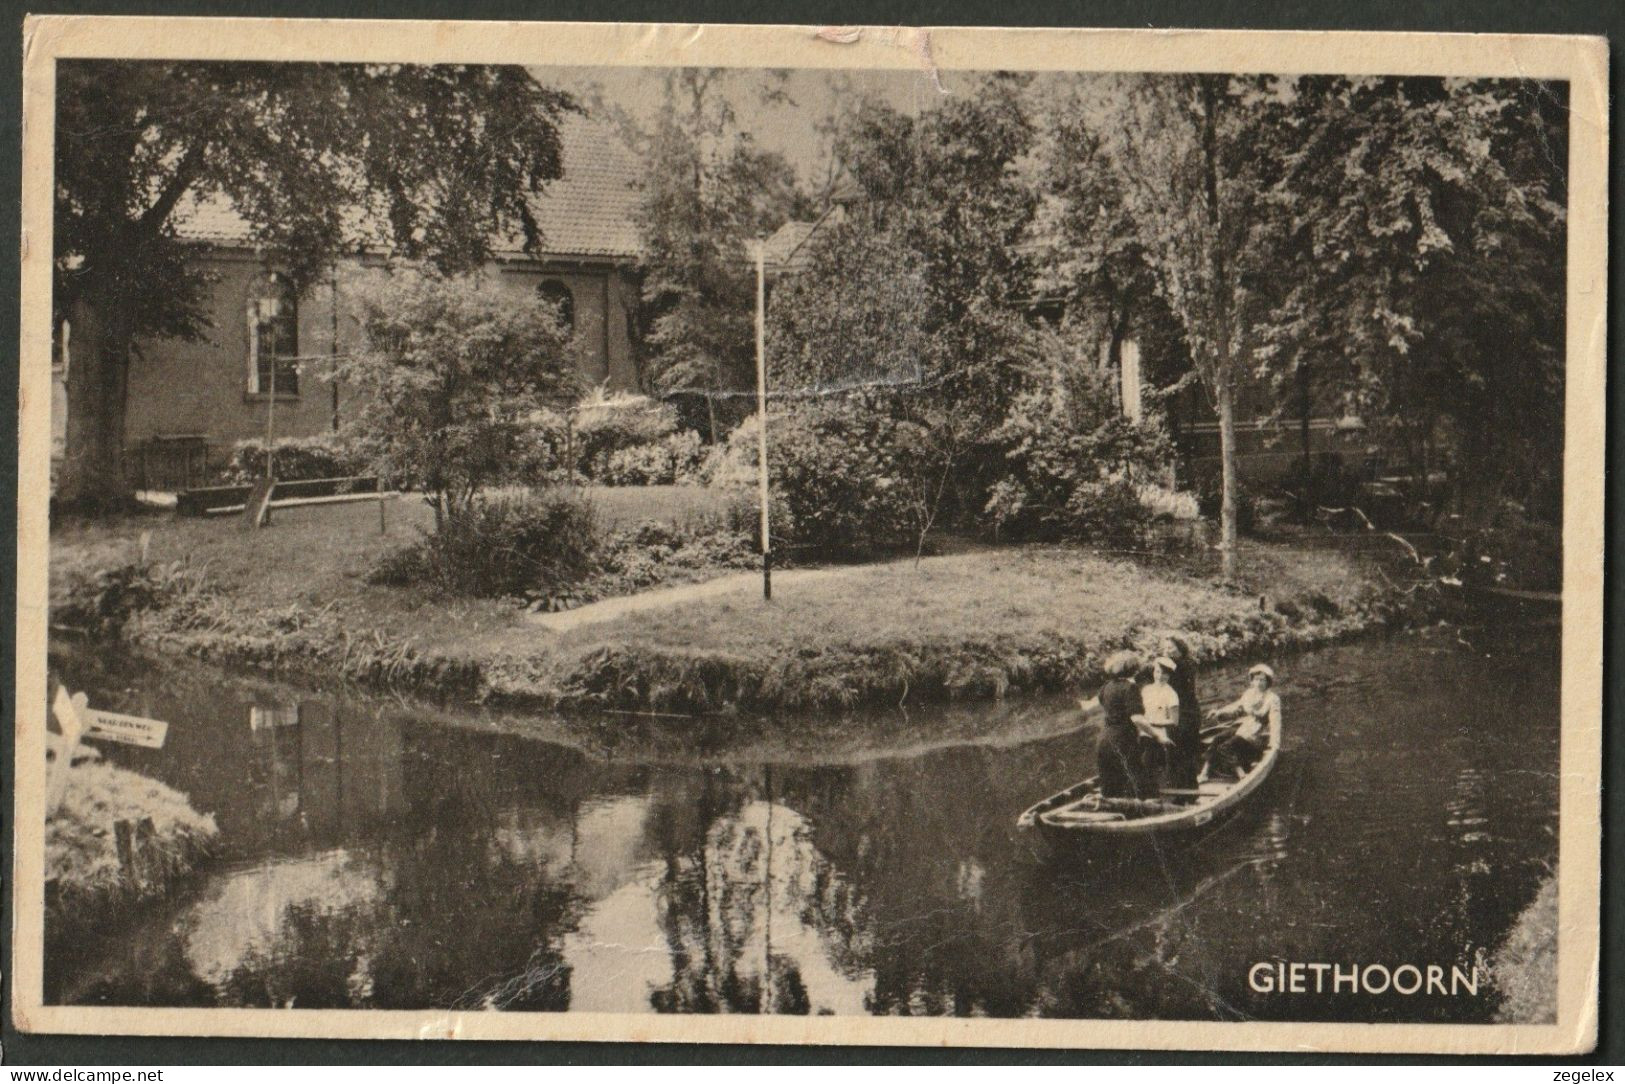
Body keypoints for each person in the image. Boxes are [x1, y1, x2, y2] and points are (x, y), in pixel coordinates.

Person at [1205, 663, 1282, 780]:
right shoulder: (1249, 694)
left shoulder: (1273, 699)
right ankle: (1205, 772)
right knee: (1217, 739)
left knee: (1226, 747)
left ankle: (1241, 774)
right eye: (1256, 680)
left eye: (1262, 680)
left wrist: (1274, 744)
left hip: (1257, 735)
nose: (1259, 683)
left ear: (1268, 682)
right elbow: (1236, 707)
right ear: (1252, 681)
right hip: (1245, 729)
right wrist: (1218, 712)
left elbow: (1275, 722)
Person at [1094, 650, 1147, 799]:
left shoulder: (1106, 686)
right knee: (1137, 782)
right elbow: (1137, 718)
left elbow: (1105, 705)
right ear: (1135, 669)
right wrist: (1157, 735)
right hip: (1123, 740)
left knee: (1109, 786)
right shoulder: (1130, 688)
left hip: (1104, 739)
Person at [1159, 636, 1204, 789]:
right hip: (1174, 713)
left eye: (1170, 647)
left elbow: (1178, 676)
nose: (1167, 651)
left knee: (1186, 751)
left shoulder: (1187, 664)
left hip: (1188, 714)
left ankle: (1191, 790)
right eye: (1165, 648)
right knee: (1174, 751)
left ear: (1180, 648)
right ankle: (1179, 789)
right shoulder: (1168, 665)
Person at [1133, 655, 1180, 790]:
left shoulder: (1171, 694)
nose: (1160, 676)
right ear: (1154, 672)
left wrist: (1152, 722)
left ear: (1169, 675)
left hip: (1159, 736)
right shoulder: (1146, 690)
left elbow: (1174, 721)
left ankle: (1152, 793)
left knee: (1147, 763)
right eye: (1158, 672)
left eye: (1164, 673)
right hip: (1142, 732)